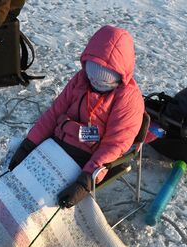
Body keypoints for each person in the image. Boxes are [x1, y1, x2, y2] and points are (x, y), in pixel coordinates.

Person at [8, 25, 145, 208]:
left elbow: (114, 144)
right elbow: (54, 113)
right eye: (92, 77)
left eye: (103, 82)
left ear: (120, 78)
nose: (95, 84)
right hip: (55, 145)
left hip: (86, 160)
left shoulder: (128, 100)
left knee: (39, 203)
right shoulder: (81, 79)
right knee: (17, 184)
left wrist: (85, 181)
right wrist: (29, 144)